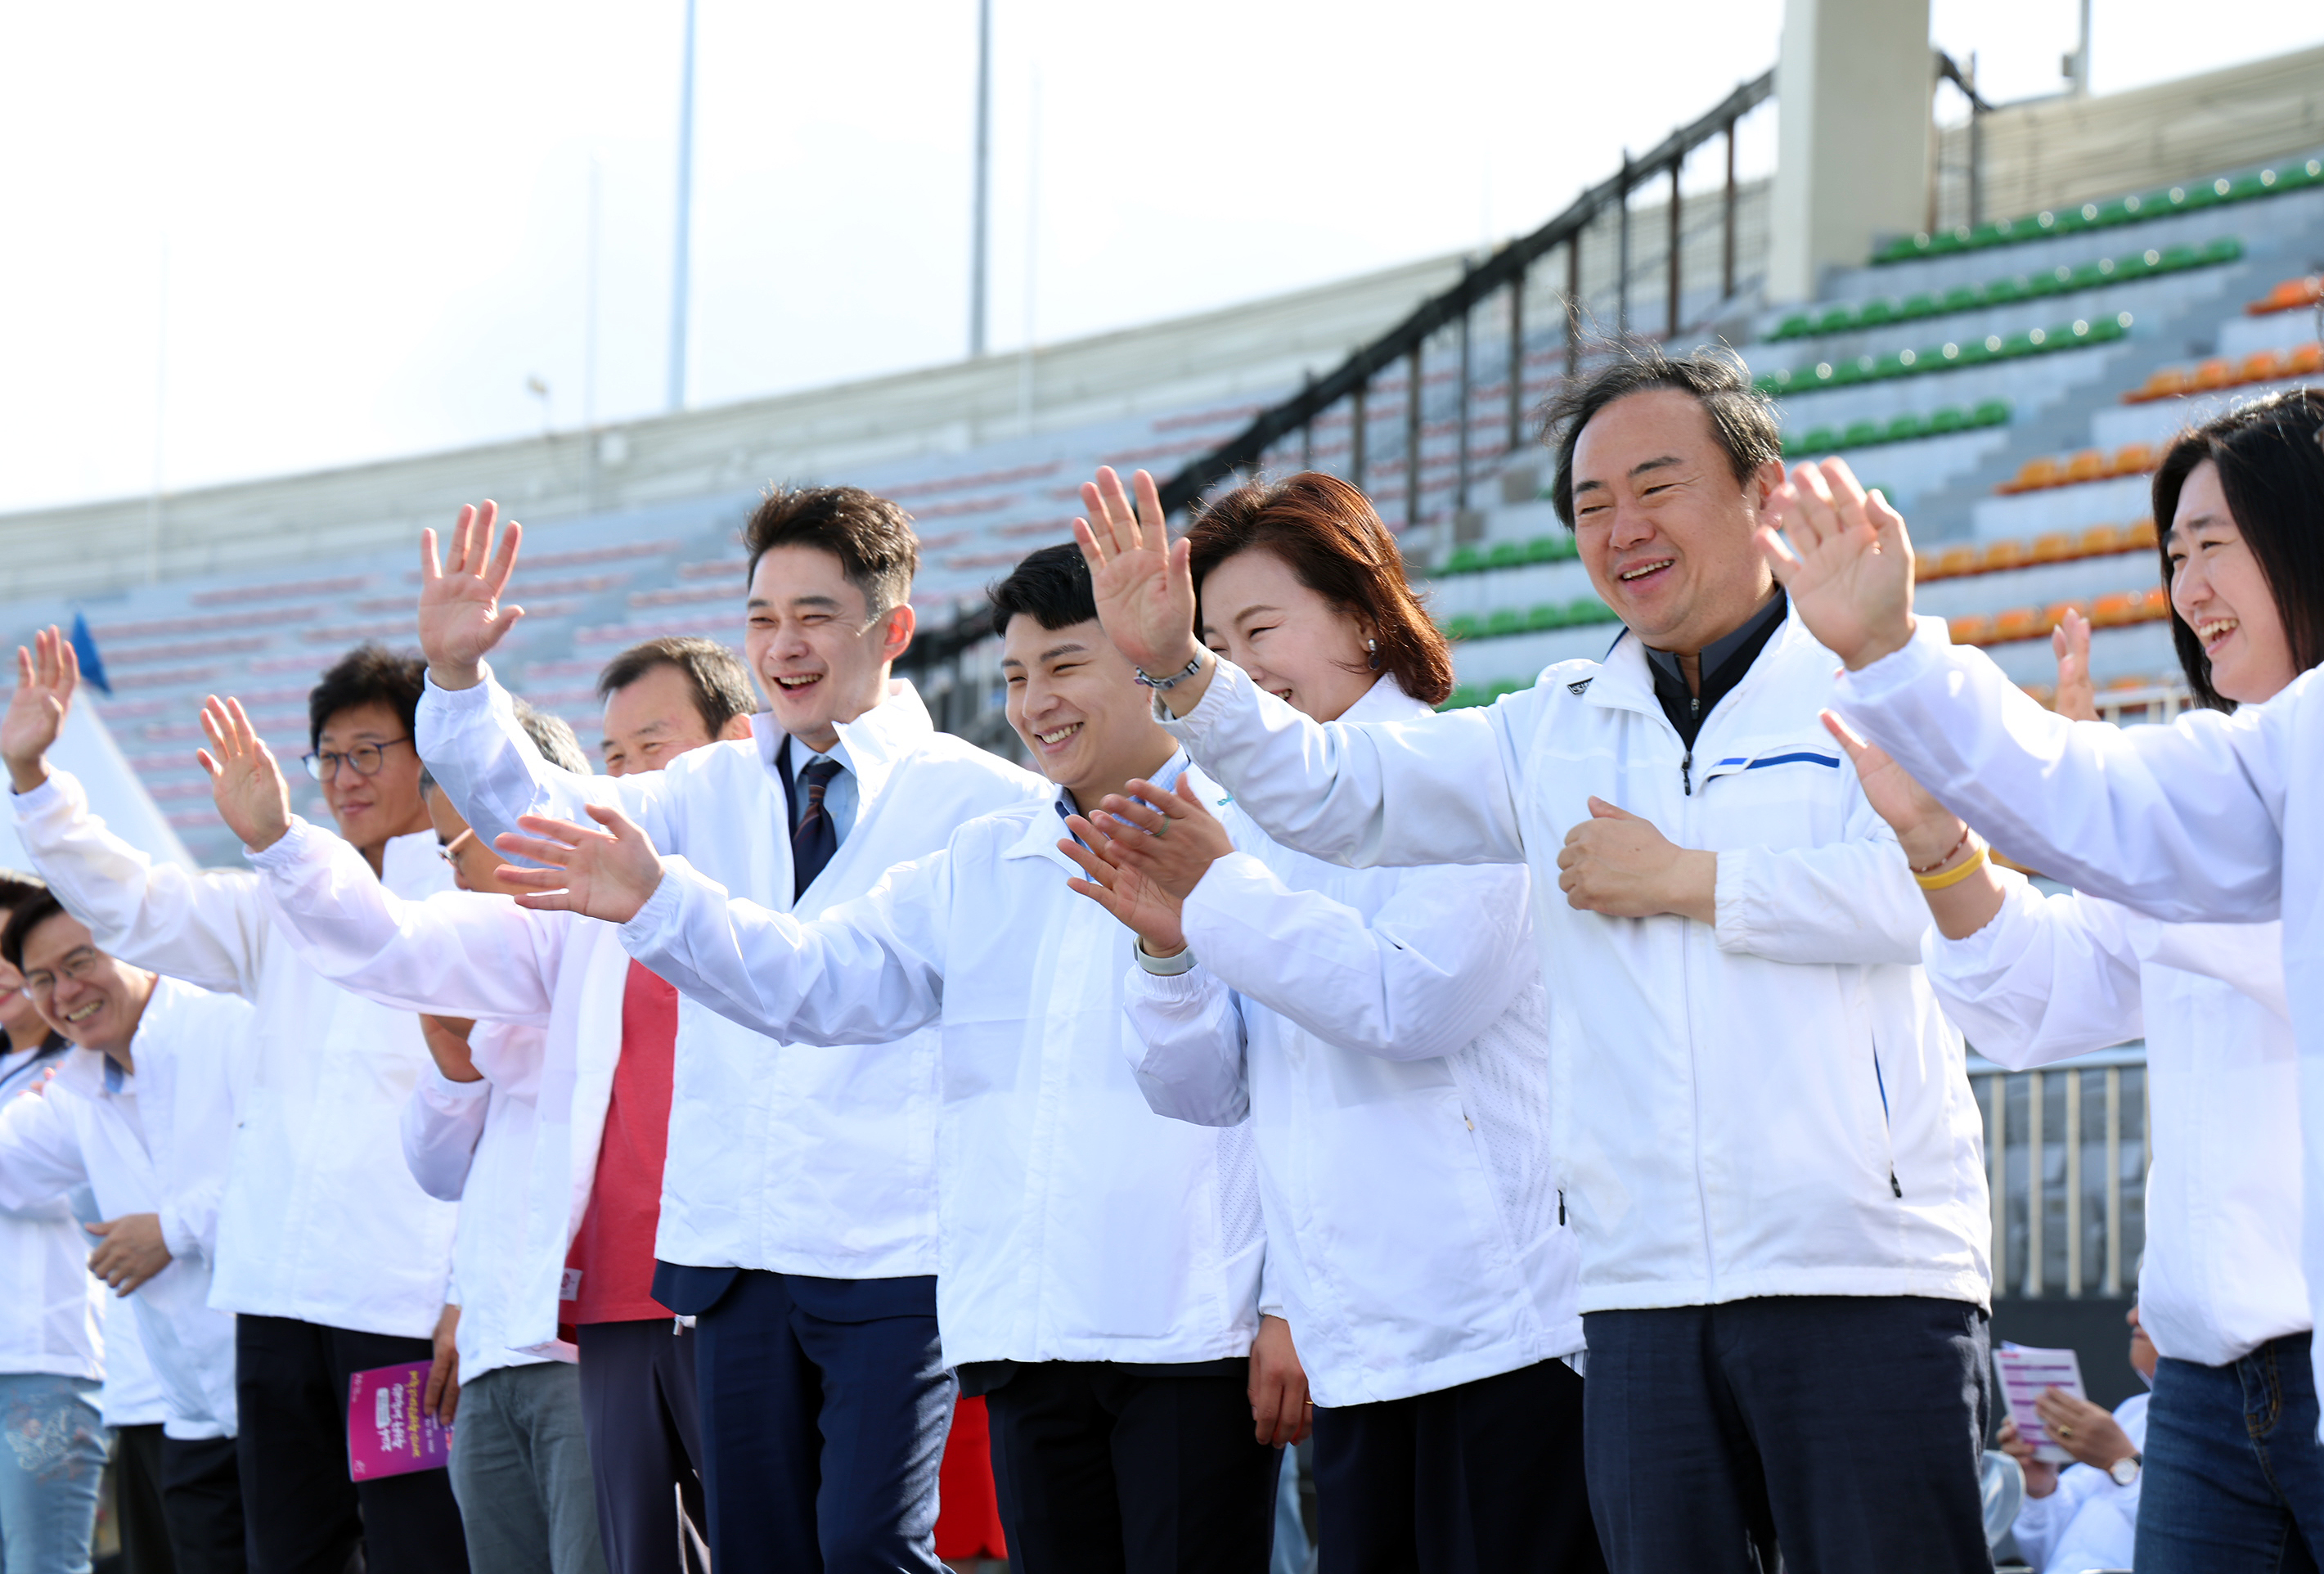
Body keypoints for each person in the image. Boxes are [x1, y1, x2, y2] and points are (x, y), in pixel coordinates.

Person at [1072, 339, 1996, 1572]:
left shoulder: (1876, 682)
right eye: (1590, 504)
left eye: (1656, 486)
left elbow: (1939, 900)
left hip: (1861, 1268)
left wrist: (1690, 881)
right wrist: (1183, 671)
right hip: (1639, 1291)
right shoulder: (1551, 728)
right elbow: (1335, 792)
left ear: (1760, 491)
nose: (1623, 527)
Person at [486, 543, 1291, 1572]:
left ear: (1153, 663)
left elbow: (1252, 1094)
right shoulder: (984, 858)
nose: (1035, 702)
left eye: (1066, 668)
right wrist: (658, 899)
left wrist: (1285, 1308)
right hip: (1030, 1336)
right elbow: (815, 980)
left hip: (1188, 1333)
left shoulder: (1249, 841)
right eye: (1014, 676)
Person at [413, 496, 1047, 1572]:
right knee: (762, 1556)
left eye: (814, 615)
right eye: (761, 619)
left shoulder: (983, 801)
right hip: (737, 1256)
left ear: (891, 630)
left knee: (866, 1547)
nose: (783, 646)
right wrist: (461, 687)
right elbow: (541, 814)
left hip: (896, 1254)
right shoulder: (709, 788)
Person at [1054, 473, 1601, 1573]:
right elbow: (1201, 1090)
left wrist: (1217, 899)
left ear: (1362, 612)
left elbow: (1411, 1002)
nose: (1242, 667)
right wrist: (1167, 948)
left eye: (1260, 628)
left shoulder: (1465, 773)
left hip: (1500, 1332)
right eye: (1214, 639)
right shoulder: (1241, 829)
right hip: (1354, 1346)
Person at [1817, 396, 2324, 1567]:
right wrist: (1938, 840)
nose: (2188, 589)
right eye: (2172, 557)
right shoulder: (2214, 813)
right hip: (2203, 1389)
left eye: (2217, 546)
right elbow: (2036, 1000)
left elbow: (2128, 841)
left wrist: (1915, 672)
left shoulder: (2261, 786)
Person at [198, 648, 752, 1574]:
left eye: (472, 842)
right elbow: (440, 1164)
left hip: (630, 1331)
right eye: (451, 846)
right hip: (502, 1343)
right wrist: (455, 1068)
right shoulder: (522, 958)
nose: (461, 868)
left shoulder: (697, 925)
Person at [2, 635, 470, 1574]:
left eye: (369, 751)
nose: (344, 776)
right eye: (328, 756)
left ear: (434, 755)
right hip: (276, 1302)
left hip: (399, 1302)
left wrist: (464, 1289)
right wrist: (34, 779)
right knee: (289, 1554)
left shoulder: (473, 899)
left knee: (420, 1545)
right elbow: (137, 906)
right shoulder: (283, 905)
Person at [0, 892, 251, 1573]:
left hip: (295, 1386)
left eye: (80, 962)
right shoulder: (78, 1087)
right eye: (43, 980)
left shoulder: (226, 1024)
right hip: (193, 1409)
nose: (65, 992)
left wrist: (173, 1229)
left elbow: (304, 1168)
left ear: (135, 942)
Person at [0, 870, 107, 1574]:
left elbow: (72, 1189)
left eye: (14, 958)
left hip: (42, 1362)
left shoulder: (82, 1068)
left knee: (44, 1565)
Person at [1997, 1307, 2157, 1573]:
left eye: (2151, 1298)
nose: (2133, 1315)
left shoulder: (2237, 1421)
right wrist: (2042, 1489)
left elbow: (2202, 1544)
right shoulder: (2136, 1410)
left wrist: (2123, 1464)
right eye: (2137, 1298)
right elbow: (2055, 1555)